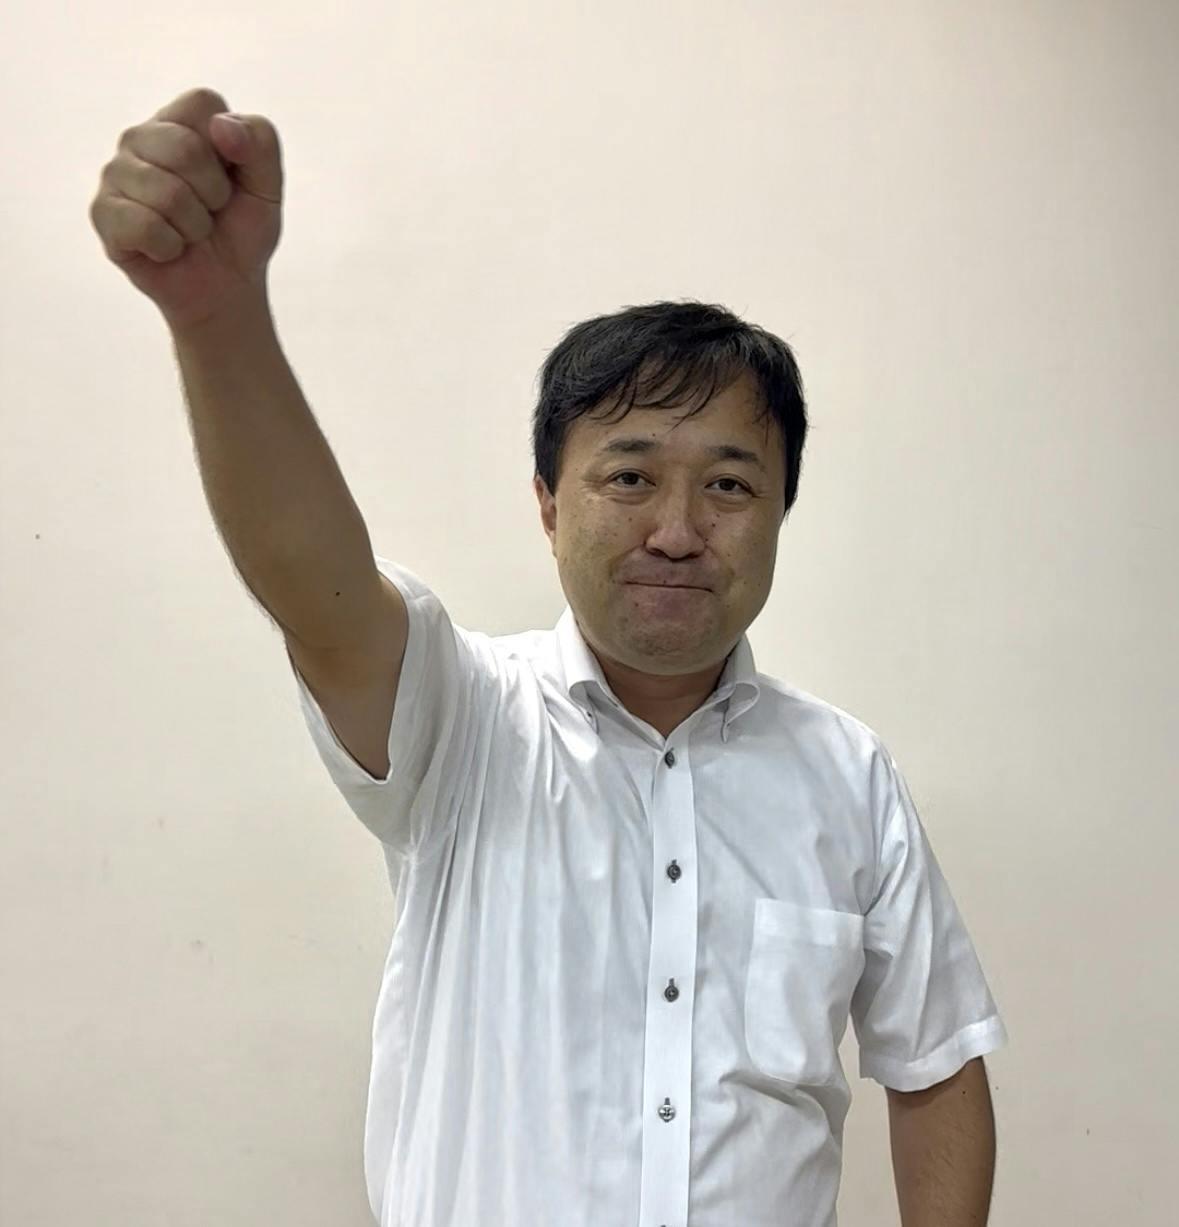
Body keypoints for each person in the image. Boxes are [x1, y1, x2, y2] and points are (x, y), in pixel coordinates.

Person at [91, 87, 1008, 1227]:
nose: (677, 529)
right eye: (629, 477)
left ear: (780, 512)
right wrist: (217, 319)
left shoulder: (847, 774)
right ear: (547, 502)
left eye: (729, 485)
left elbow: (937, 1065)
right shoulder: (462, 719)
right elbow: (313, 584)